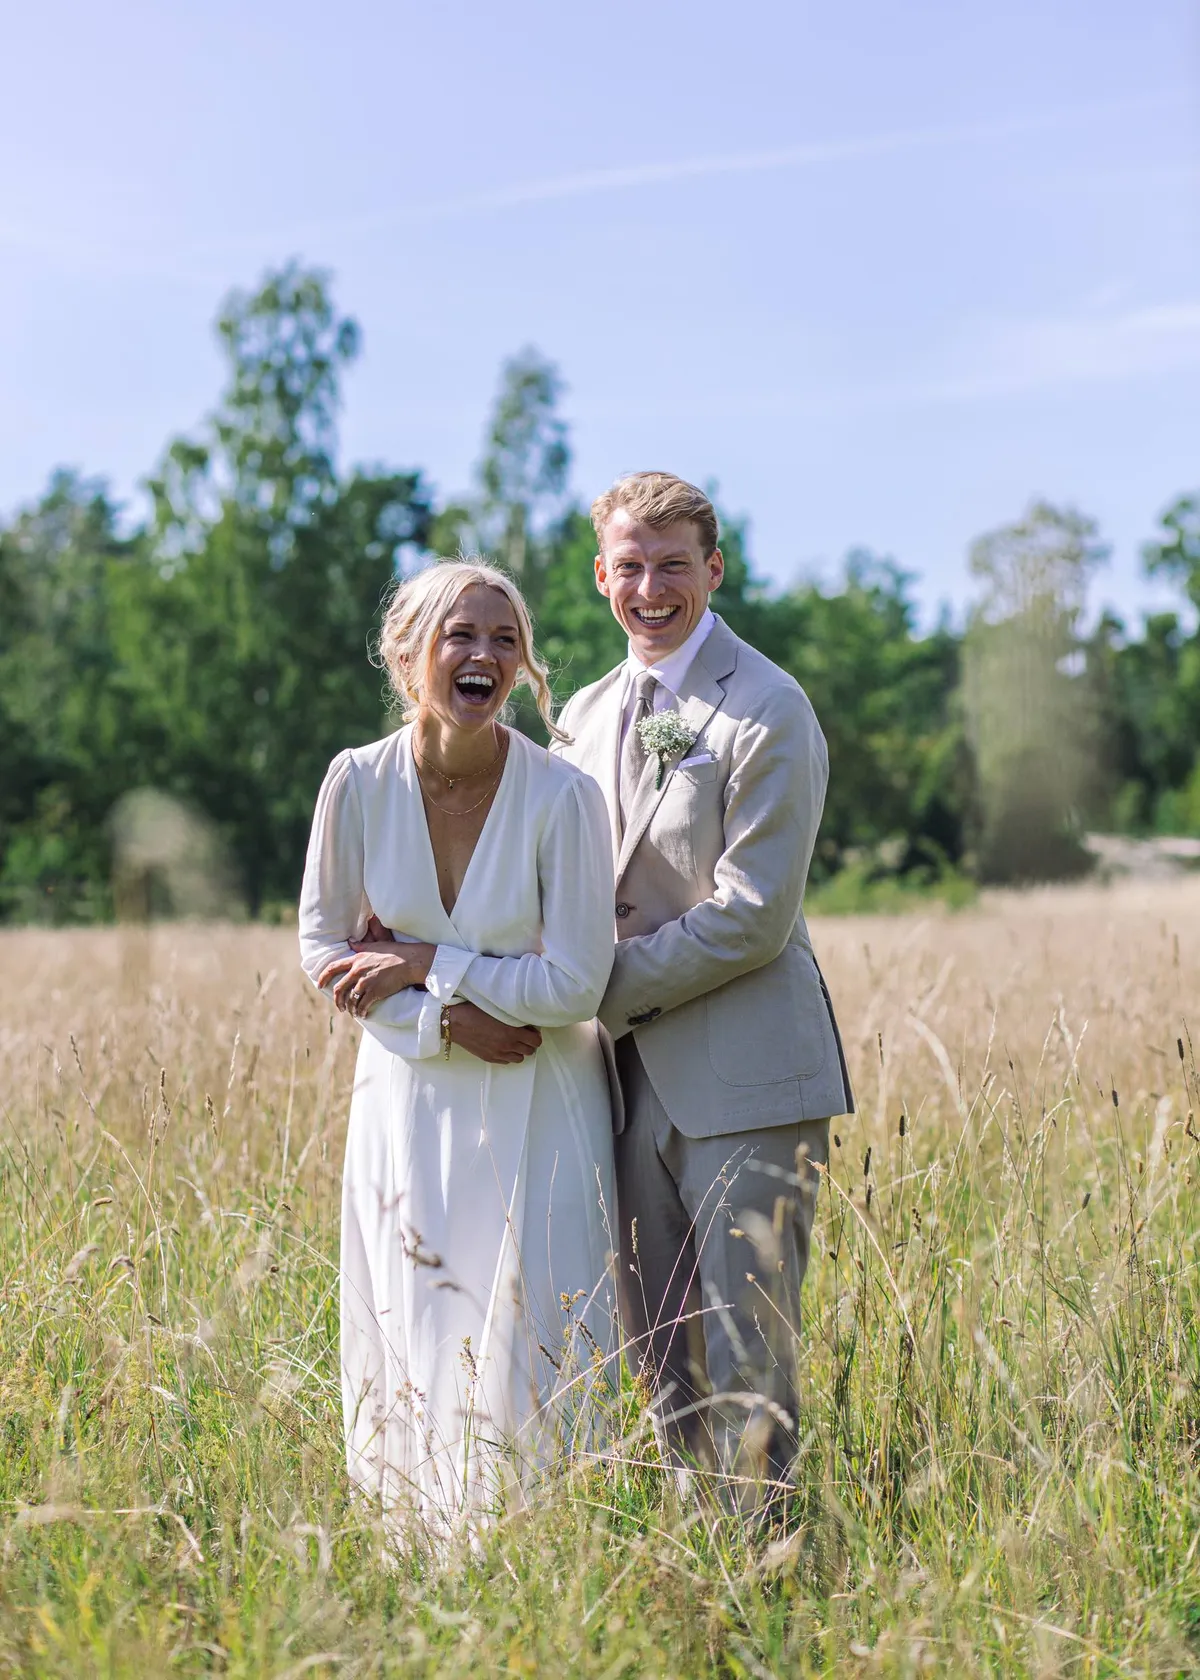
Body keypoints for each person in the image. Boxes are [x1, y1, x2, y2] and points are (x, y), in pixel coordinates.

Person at [298, 559, 617, 1532]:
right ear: (409, 658)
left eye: (503, 640)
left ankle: (547, 1555)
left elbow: (576, 984)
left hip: (543, 1104)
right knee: (417, 1318)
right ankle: (421, 1562)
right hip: (409, 1102)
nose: (483, 654)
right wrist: (445, 1018)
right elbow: (325, 949)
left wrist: (427, 960)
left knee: (537, 1331)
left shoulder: (564, 796)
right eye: (459, 637)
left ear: (523, 668)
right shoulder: (356, 782)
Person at [556, 472, 853, 1508]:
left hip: (747, 1083)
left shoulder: (768, 705)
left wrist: (582, 988)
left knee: (747, 1368)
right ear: (601, 577)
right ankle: (697, 1593)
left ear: (712, 570)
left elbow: (754, 915)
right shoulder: (582, 717)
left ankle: (771, 1594)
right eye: (629, 566)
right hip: (621, 1090)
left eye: (672, 564)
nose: (650, 587)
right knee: (659, 1366)